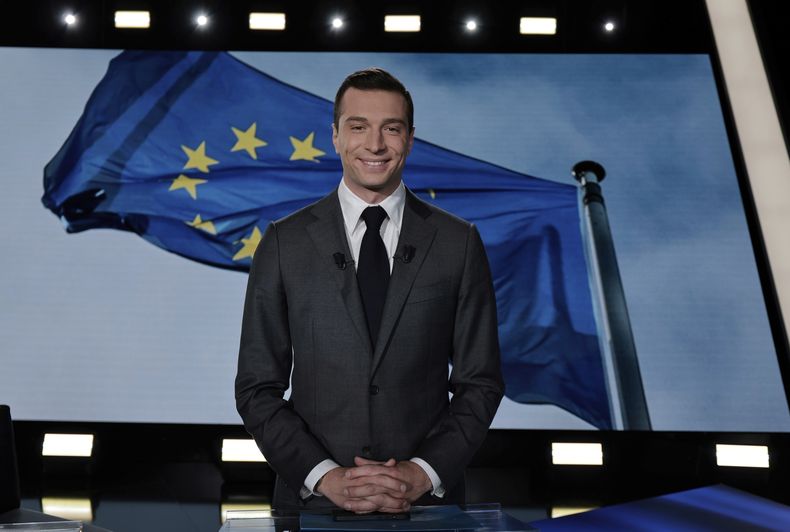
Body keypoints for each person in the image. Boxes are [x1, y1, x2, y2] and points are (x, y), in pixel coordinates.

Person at [235, 67, 504, 514]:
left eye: (391, 129)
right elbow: (256, 388)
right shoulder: (285, 242)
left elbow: (481, 383)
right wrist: (325, 476)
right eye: (358, 127)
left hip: (427, 510)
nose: (375, 145)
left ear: (410, 139)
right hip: (313, 508)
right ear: (336, 136)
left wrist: (422, 473)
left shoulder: (458, 243)